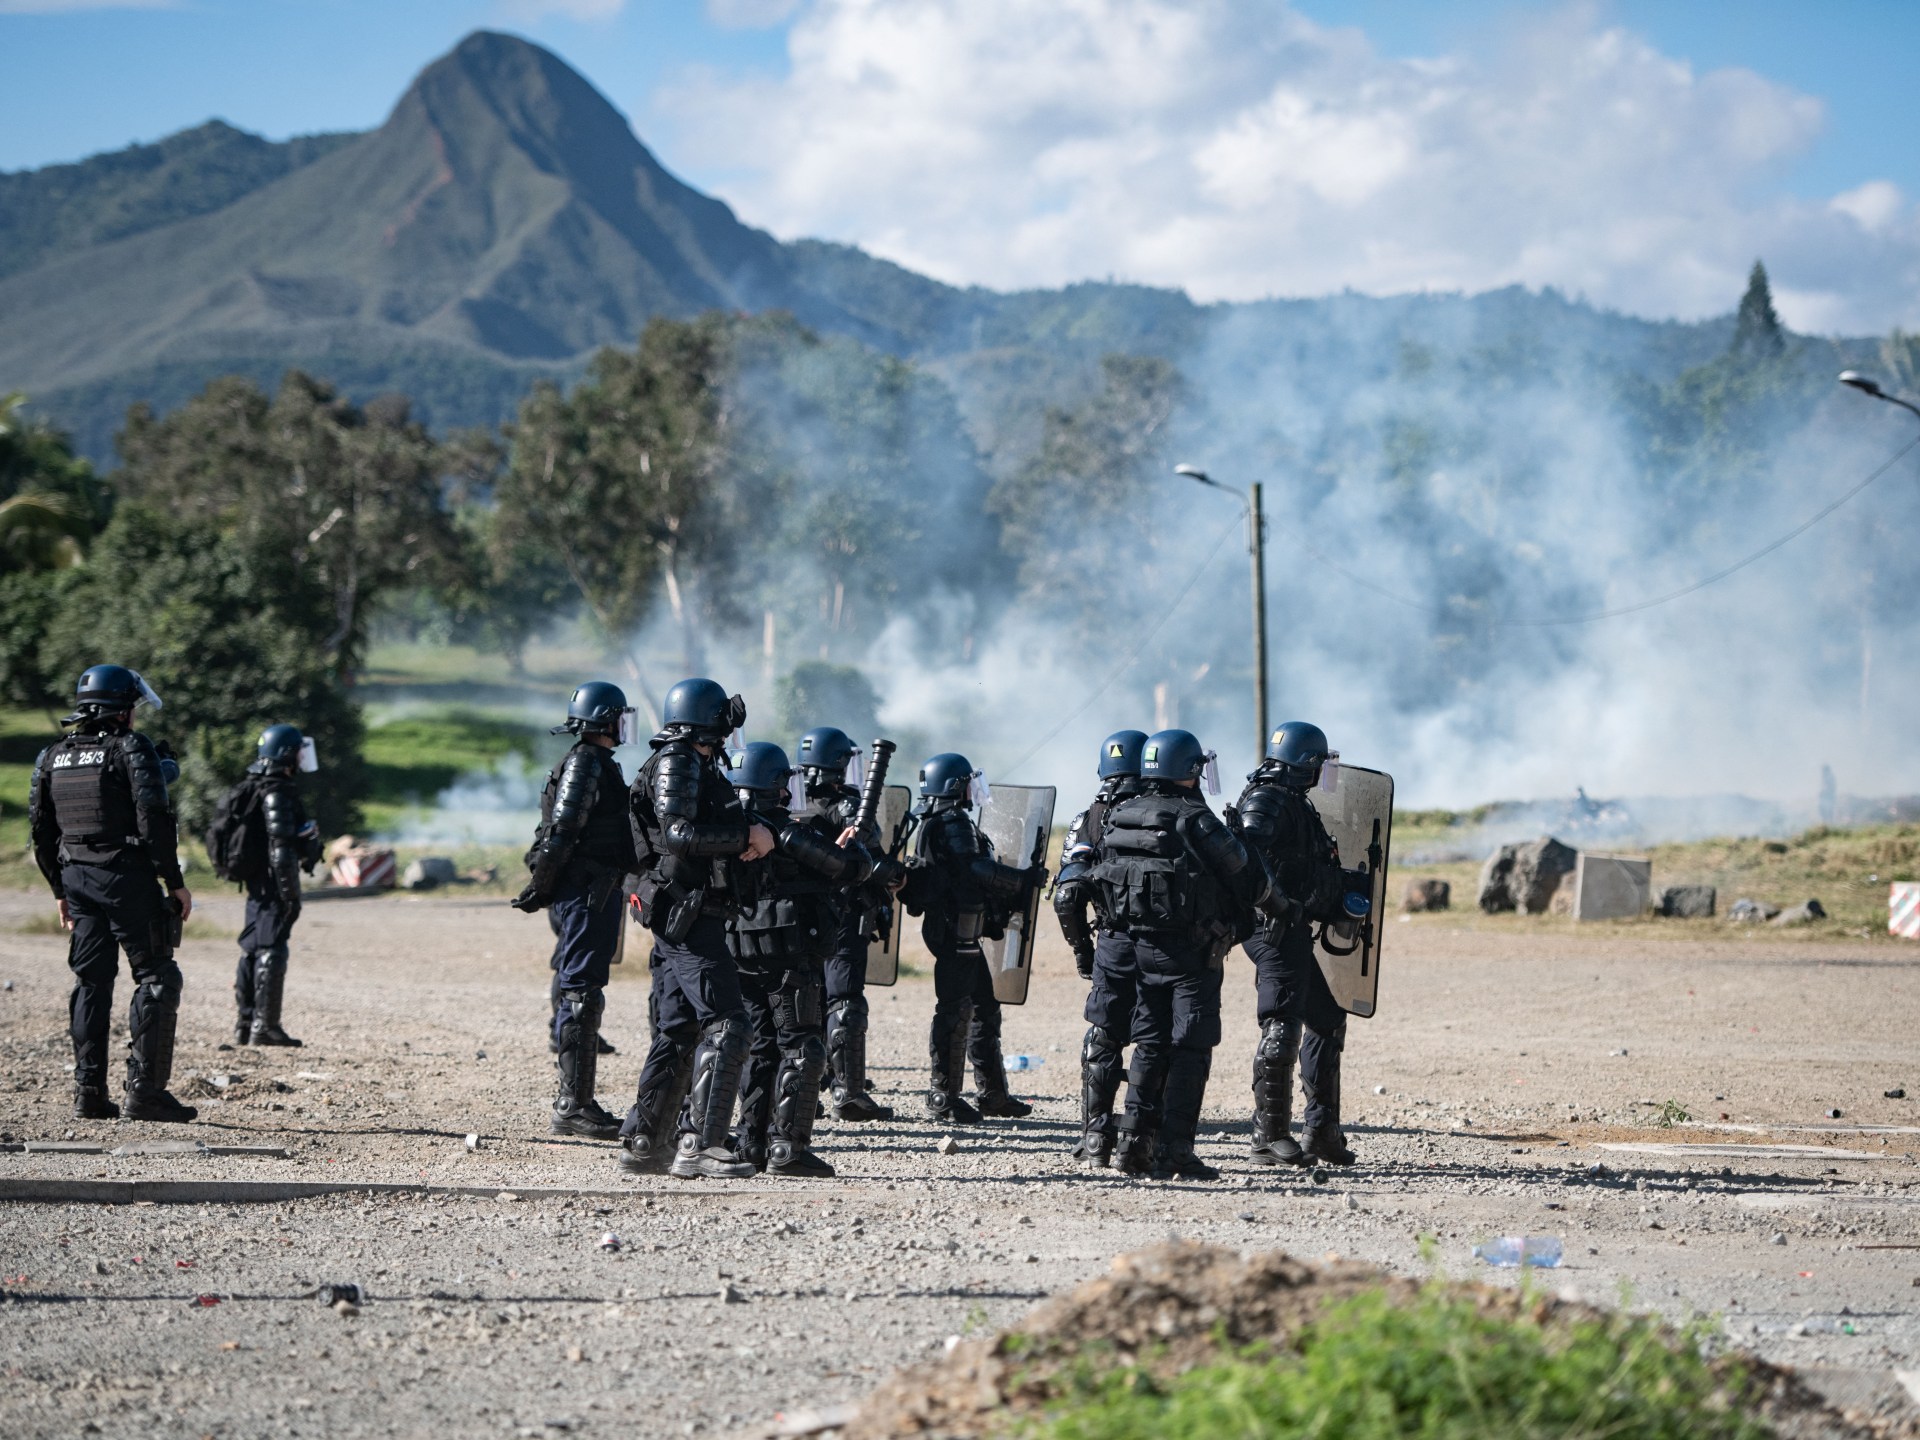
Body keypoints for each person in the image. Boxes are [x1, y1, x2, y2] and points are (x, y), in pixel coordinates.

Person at [27, 665, 197, 1122]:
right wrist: (175, 882)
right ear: (122, 710)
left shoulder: (52, 755)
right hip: (126, 878)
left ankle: (89, 1093)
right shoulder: (130, 747)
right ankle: (145, 1095)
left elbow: (41, 832)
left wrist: (59, 889)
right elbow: (155, 821)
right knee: (158, 975)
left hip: (77, 879)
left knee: (91, 983)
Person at [1096, 729, 1267, 1180]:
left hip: (1139, 951)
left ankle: (1132, 1145)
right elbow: (1248, 879)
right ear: (1190, 769)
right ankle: (1175, 1150)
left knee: (1150, 1044)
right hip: (1192, 955)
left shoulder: (1122, 813)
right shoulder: (1194, 819)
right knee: (1191, 1048)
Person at [619, 678, 771, 1179]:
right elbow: (679, 835)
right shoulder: (679, 760)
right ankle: (700, 1146)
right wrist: (744, 836)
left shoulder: (696, 762)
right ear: (708, 718)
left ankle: (646, 1140)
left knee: (682, 1029)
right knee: (730, 1022)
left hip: (694, 911)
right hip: (687, 915)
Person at [727, 741, 896, 1176]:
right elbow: (850, 868)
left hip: (741, 953)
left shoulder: (732, 831)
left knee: (760, 1047)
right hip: (787, 955)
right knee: (802, 1044)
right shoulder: (783, 831)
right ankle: (787, 1148)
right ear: (776, 786)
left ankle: (751, 1142)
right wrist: (851, 846)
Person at [512, 682, 639, 1140]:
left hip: (592, 891)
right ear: (605, 719)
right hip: (585, 892)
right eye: (620, 716)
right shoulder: (586, 762)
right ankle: (574, 1105)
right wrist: (540, 887)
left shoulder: (594, 762)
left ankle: (577, 1102)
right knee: (581, 993)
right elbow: (562, 831)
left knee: (583, 989)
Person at [1235, 721, 1360, 1167]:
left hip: (1291, 925)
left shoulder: (1290, 800)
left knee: (1326, 1019)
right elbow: (1246, 860)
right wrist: (1283, 905)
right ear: (1306, 762)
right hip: (1271, 929)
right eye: (1321, 762)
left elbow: (1299, 863)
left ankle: (1321, 1132)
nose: (1324, 770)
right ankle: (1267, 1137)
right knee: (1281, 1024)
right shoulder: (1267, 799)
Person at [898, 753, 1044, 1125]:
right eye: (967, 783)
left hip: (958, 926)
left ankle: (993, 1094)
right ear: (955, 787)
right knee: (955, 1009)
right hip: (954, 928)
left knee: (983, 1005)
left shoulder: (938, 821)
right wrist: (1022, 880)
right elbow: (975, 869)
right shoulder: (951, 822)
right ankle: (942, 1096)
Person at [1053, 729, 1148, 1166]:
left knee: (1104, 1035)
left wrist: (1083, 954)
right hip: (1159, 943)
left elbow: (1067, 895)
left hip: (1111, 941)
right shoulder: (1162, 813)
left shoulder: (1087, 818)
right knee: (1155, 1037)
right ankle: (1142, 1138)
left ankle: (1094, 1137)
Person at [794, 726, 894, 1121]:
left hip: (802, 915)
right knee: (845, 1001)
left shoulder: (790, 801)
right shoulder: (846, 806)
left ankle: (805, 1090)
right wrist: (893, 872)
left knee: (806, 1001)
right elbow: (866, 850)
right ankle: (848, 1092)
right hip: (843, 912)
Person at [229, 724, 323, 1047]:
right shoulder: (276, 791)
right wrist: (290, 895)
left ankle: (246, 1025)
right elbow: (281, 848)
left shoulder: (256, 785)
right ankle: (265, 1027)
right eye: (297, 751)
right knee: (272, 949)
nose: (300, 757)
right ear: (286, 753)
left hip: (258, 882)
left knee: (253, 948)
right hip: (272, 883)